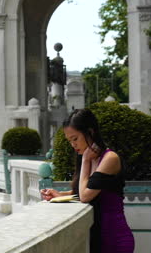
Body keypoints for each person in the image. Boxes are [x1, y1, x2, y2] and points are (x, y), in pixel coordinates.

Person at [40, 108, 134, 253]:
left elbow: (85, 196)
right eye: (70, 140)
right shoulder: (90, 158)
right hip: (97, 238)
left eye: (75, 138)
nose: (73, 145)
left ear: (90, 132)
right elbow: (86, 190)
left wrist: (85, 160)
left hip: (115, 239)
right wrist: (60, 194)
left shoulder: (110, 158)